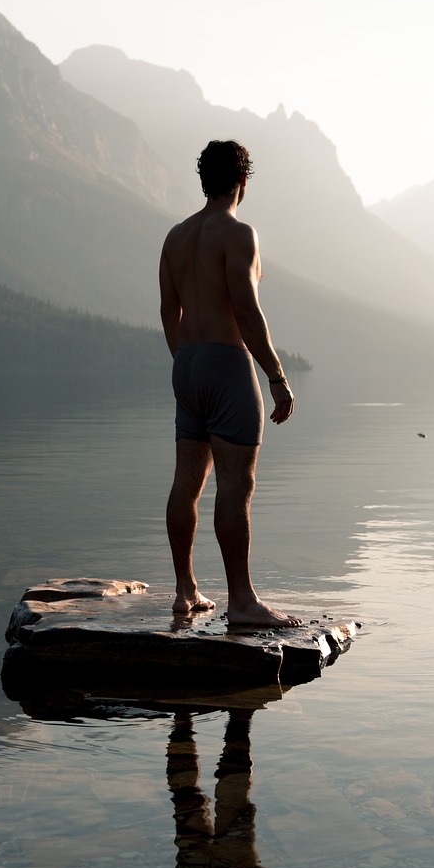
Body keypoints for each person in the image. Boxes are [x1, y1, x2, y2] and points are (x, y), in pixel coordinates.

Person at [159, 139, 301, 627]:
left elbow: (168, 311)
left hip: (188, 362)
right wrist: (277, 376)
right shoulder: (238, 233)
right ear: (243, 182)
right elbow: (245, 309)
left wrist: (188, 364)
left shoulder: (176, 237)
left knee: (187, 482)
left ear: (204, 181)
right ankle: (241, 601)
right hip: (225, 364)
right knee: (236, 486)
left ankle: (185, 592)